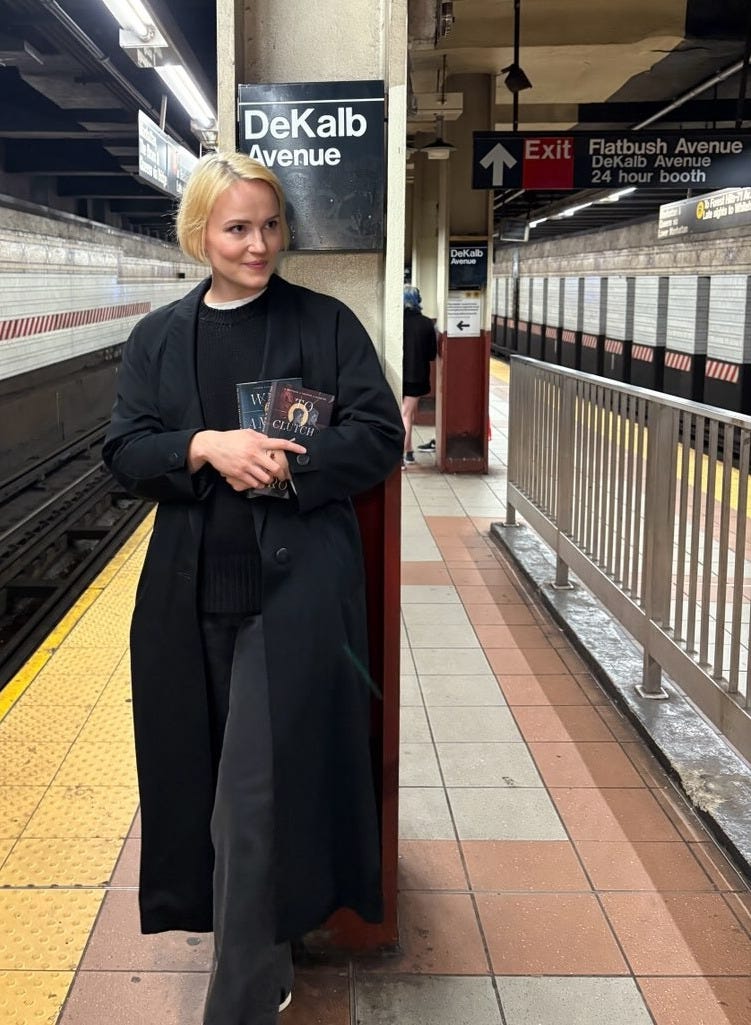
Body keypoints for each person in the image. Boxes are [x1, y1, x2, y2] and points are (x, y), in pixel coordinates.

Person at [103, 151, 404, 1025]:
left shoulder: (325, 324)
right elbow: (124, 451)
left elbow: (377, 435)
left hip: (294, 602)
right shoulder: (158, 337)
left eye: (271, 225)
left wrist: (282, 468)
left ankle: (235, 1001)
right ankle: (266, 949)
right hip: (188, 600)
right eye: (237, 228)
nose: (259, 244)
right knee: (203, 793)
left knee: (250, 799)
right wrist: (204, 446)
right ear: (199, 232)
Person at [401, 285, 437, 465]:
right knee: (407, 414)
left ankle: (406, 453)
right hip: (418, 377)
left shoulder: (397, 322)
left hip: (399, 374)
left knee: (406, 414)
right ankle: (404, 455)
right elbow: (431, 355)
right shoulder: (426, 323)